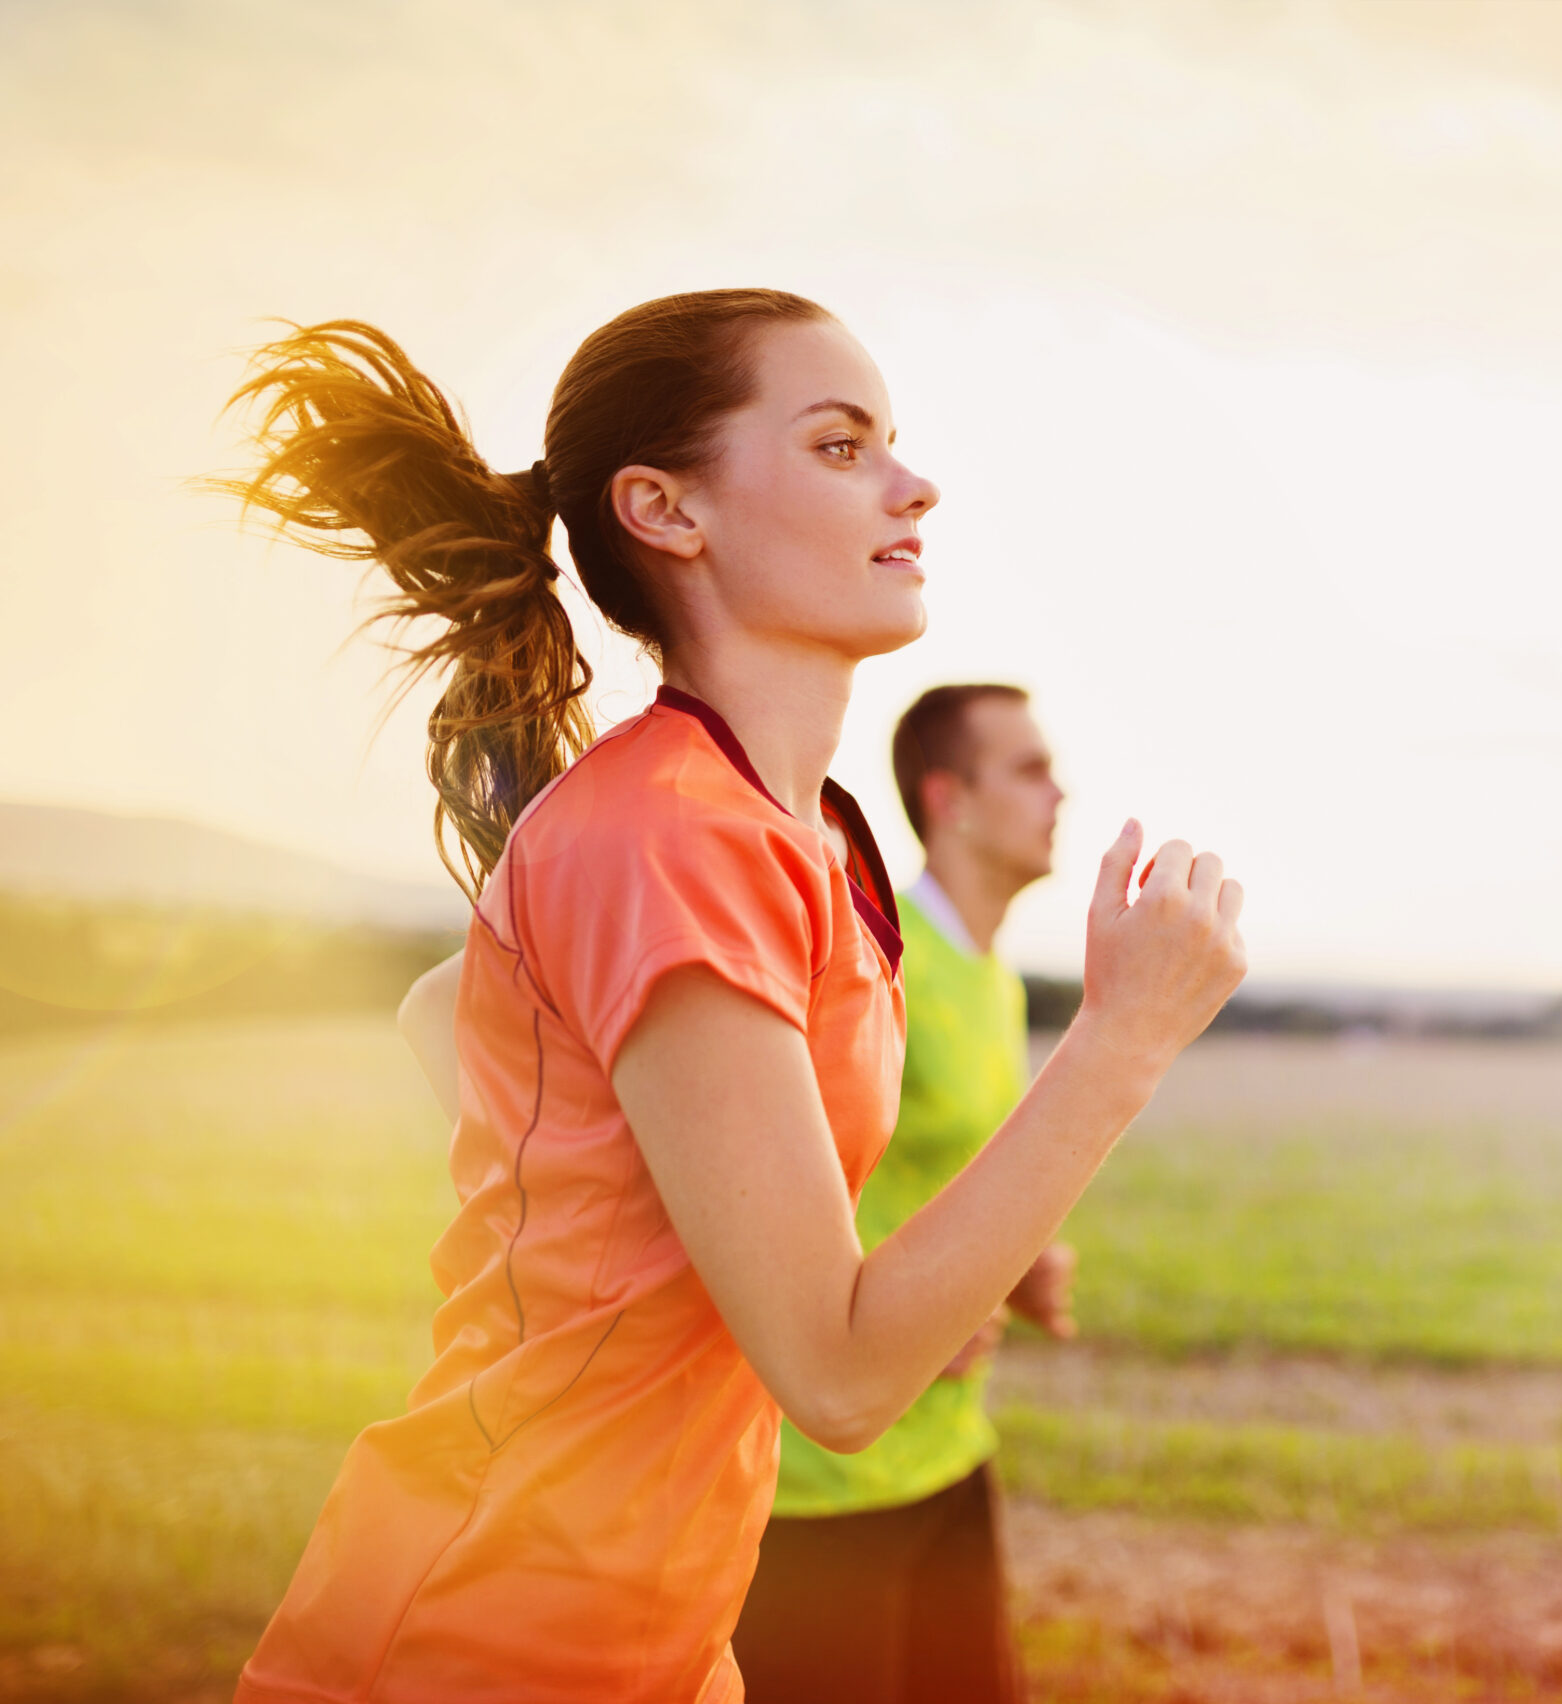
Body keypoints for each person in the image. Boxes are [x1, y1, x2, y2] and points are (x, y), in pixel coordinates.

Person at [218, 289, 1246, 1704]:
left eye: (892, 442)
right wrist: (1124, 1040)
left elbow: (446, 1011)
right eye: (840, 447)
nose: (914, 482)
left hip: (657, 1639)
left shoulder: (791, 828)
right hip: (479, 1637)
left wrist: (640, 1221)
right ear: (667, 510)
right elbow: (836, 1377)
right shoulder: (673, 834)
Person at [729, 683, 1069, 1703]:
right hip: (824, 1486)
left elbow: (925, 1179)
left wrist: (1012, 1269)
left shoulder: (990, 975)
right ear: (947, 798)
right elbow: (761, 1195)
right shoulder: (881, 964)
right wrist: (905, 1314)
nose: (1062, 790)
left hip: (949, 1453)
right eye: (1028, 768)